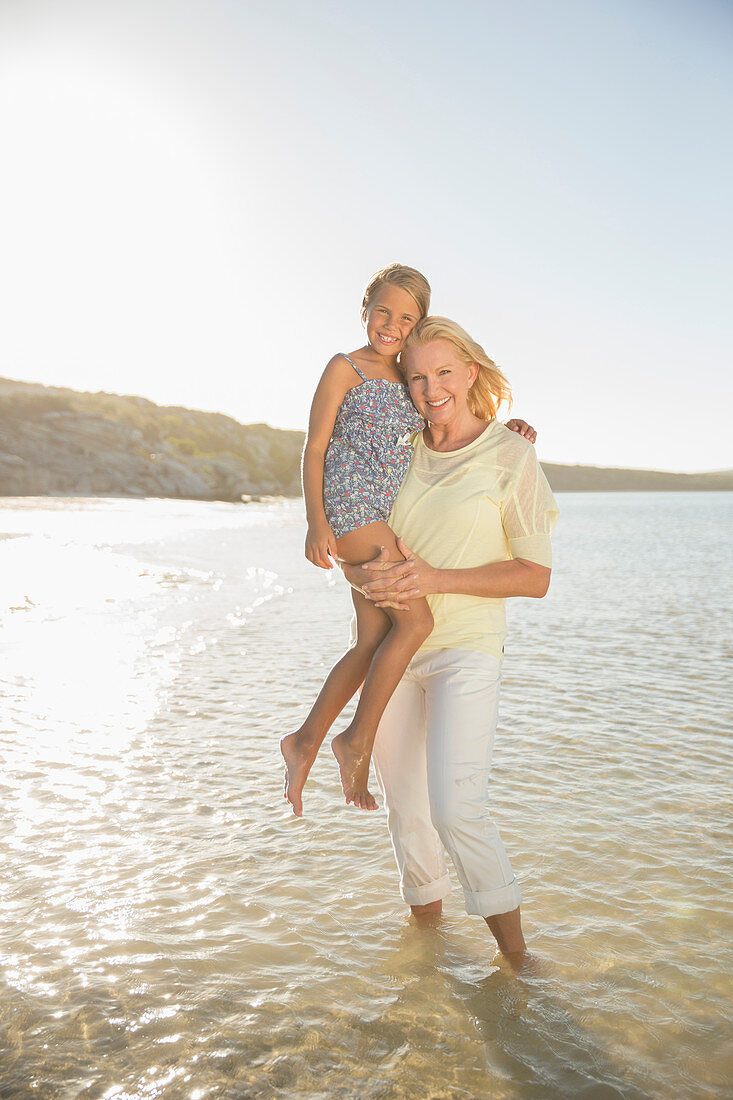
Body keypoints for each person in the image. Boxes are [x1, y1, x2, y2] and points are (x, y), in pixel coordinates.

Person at [339, 315, 559, 964]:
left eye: (443, 372)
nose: (431, 388)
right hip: (392, 654)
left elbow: (535, 576)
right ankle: (429, 959)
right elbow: (354, 517)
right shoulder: (397, 450)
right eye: (416, 377)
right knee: (406, 812)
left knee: (455, 808)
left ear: (470, 373)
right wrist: (350, 564)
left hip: (465, 652)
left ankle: (519, 969)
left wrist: (434, 576)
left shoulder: (510, 455)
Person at [281, 264, 535, 817]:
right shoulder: (345, 368)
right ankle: (355, 740)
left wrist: (506, 431)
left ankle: (304, 742)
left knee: (370, 642)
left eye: (406, 317)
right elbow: (316, 446)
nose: (391, 325)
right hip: (352, 509)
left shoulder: (411, 378)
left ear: (417, 324)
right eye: (383, 311)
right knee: (417, 621)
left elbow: (448, 427)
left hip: (379, 517)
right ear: (365, 306)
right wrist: (315, 521)